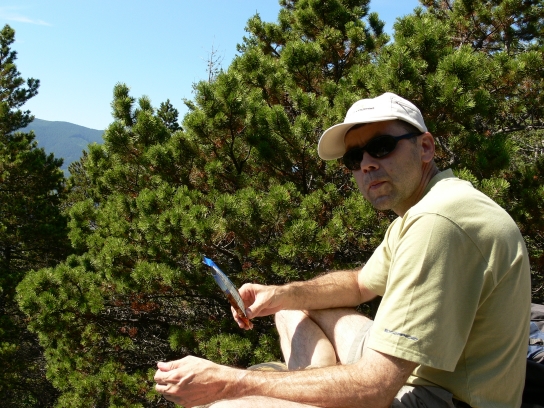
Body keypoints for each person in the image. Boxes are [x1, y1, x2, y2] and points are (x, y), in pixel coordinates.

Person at [154, 92, 531, 407]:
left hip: (437, 398)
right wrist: (279, 295)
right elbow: (359, 285)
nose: (366, 165)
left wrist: (228, 383)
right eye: (354, 158)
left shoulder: (437, 222)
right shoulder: (428, 207)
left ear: (426, 147)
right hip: (415, 373)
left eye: (381, 147)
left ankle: (309, 387)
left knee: (227, 407)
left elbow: (376, 387)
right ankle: (315, 374)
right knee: (291, 310)